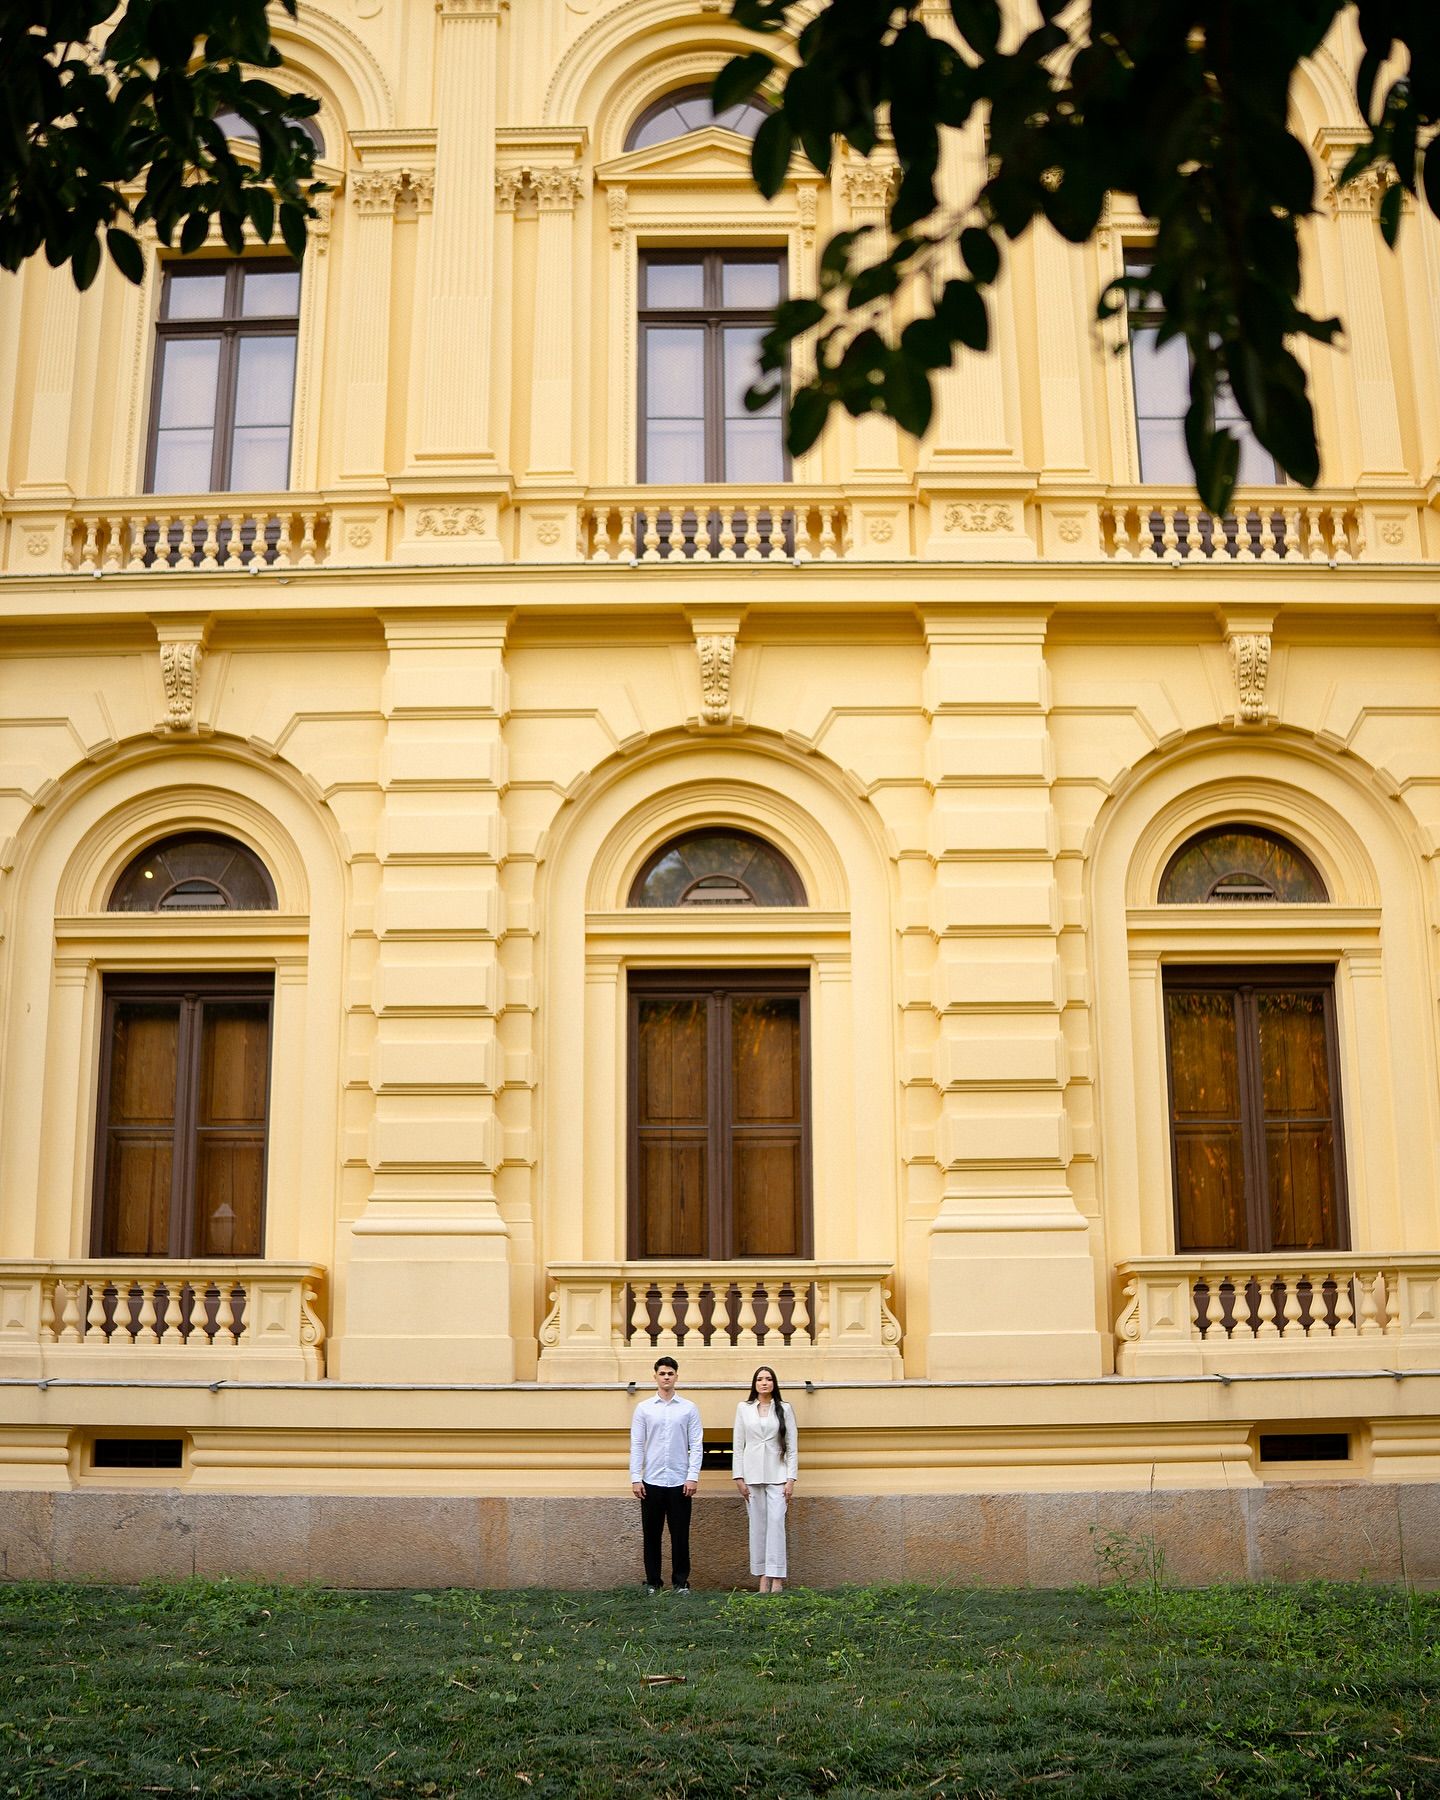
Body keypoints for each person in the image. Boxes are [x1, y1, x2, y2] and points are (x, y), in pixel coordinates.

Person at [629, 1354, 702, 1593]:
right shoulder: (644, 1409)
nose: (666, 1377)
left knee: (680, 1536)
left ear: (676, 1377)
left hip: (680, 1482)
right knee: (652, 1536)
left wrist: (692, 1476)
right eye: (662, 1373)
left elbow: (696, 1444)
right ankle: (653, 1582)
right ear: (655, 1377)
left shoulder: (689, 1409)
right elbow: (637, 1444)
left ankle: (681, 1583)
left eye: (670, 1373)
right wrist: (635, 1477)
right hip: (651, 1482)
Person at [731, 1364, 797, 1593]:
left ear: (774, 1383)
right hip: (751, 1475)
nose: (764, 1382)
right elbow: (738, 1445)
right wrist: (738, 1477)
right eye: (760, 1379)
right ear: (755, 1383)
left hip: (777, 1475)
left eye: (768, 1379)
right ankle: (762, 1578)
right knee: (757, 1526)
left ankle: (777, 1577)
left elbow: (791, 1447)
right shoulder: (744, 1408)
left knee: (777, 1524)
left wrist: (791, 1479)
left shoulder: (785, 1409)